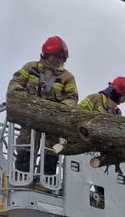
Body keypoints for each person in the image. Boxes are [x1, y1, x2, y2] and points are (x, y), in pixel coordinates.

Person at [7, 36, 79, 176]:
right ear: (46, 55)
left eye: (61, 58)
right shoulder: (30, 68)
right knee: (25, 145)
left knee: (52, 150)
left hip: (52, 123)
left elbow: (72, 98)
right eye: (55, 57)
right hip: (29, 119)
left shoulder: (68, 77)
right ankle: (22, 177)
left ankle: (45, 182)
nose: (58, 61)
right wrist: (25, 101)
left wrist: (59, 110)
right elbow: (14, 85)